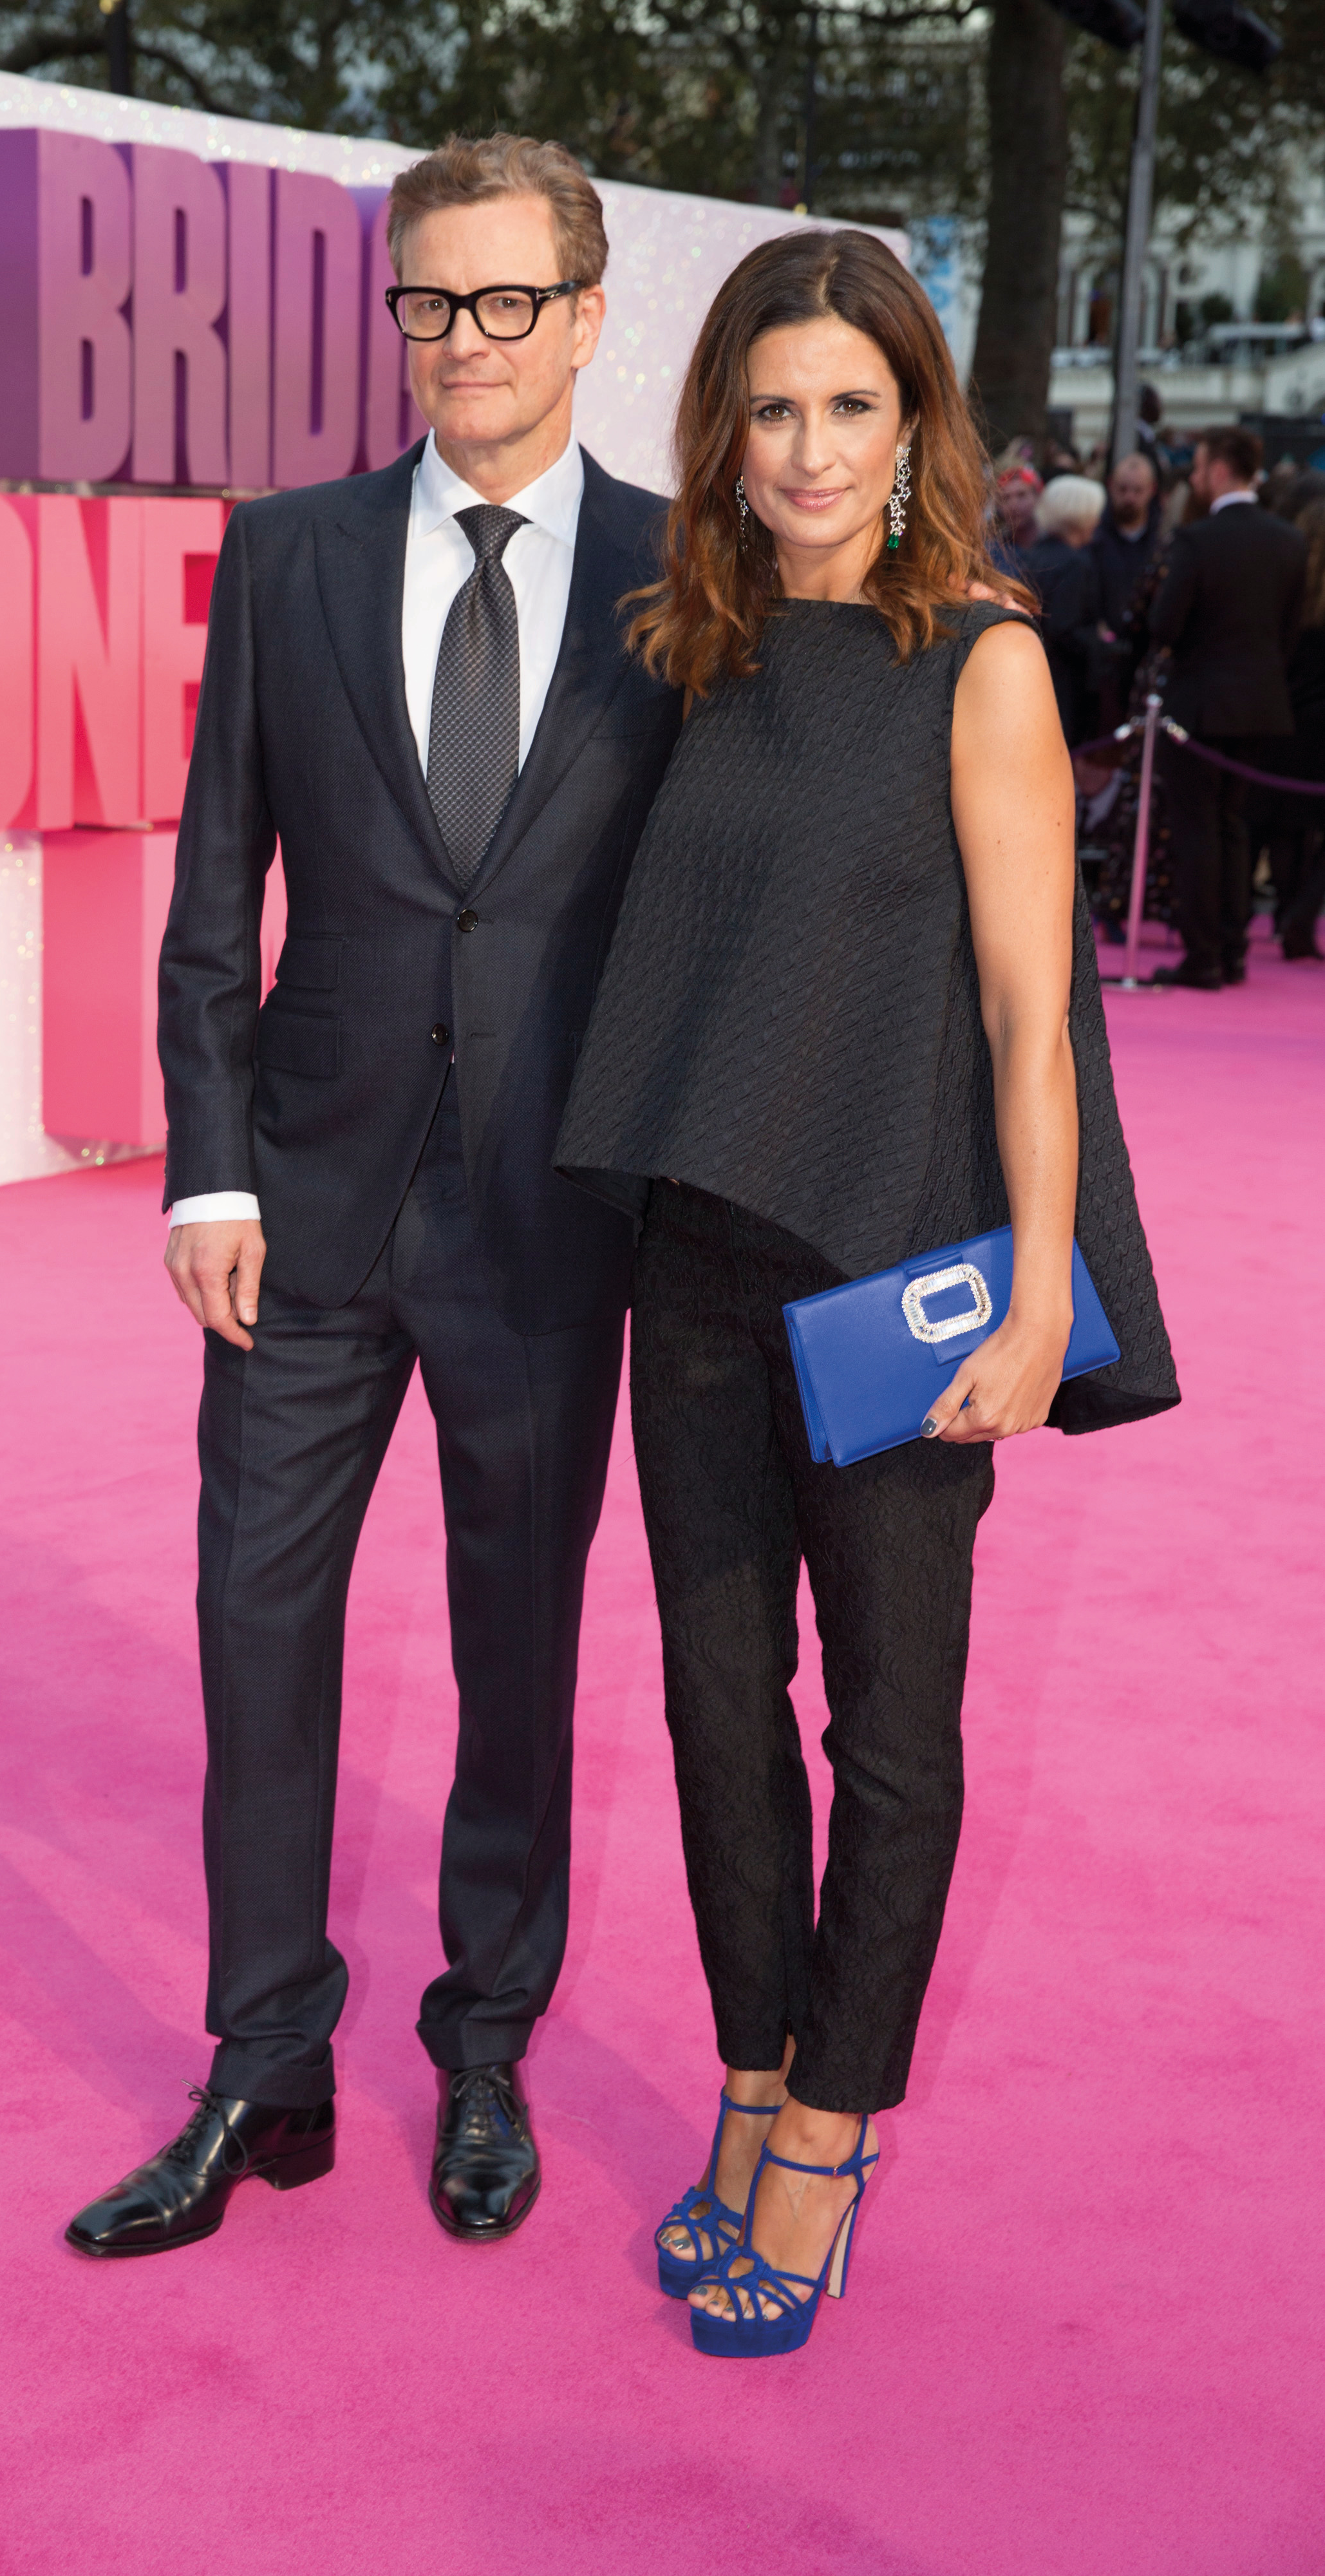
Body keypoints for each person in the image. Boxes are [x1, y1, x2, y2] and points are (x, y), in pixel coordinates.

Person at [556, 226, 1178, 2358]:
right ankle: (750, 2076)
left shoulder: (979, 658)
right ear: (722, 431)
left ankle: (826, 2133)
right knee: (711, 1707)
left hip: (895, 1275)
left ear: (913, 423)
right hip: (694, 1260)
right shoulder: (695, 647)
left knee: (887, 1731)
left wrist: (1036, 1293)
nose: (809, 449)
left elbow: (1029, 1012)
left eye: (848, 405)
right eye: (772, 409)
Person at [65, 133, 681, 2260]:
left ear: (583, 316)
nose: (463, 339)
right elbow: (210, 890)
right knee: (257, 1632)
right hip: (303, 1209)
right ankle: (264, 2065)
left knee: (516, 1646)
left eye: (506, 300)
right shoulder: (290, 552)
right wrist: (202, 1173)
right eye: (430, 298)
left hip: (551, 1211)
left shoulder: (676, 573)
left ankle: (483, 2046)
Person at [1148, 425, 1307, 988]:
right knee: (1233, 826)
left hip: (1198, 706)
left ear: (1218, 471)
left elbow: (1164, 626)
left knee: (1197, 829)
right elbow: (1288, 632)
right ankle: (1232, 950)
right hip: (1260, 705)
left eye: (1197, 468)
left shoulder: (1196, 541)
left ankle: (1203, 956)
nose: (1193, 478)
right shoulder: (1289, 541)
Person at [1246, 496, 1325, 961]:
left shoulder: (1284, 586)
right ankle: (1299, 915)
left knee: (1270, 822)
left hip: (1282, 717)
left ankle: (1241, 923)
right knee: (1305, 828)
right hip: (1313, 724)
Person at [1024, 473, 1106, 746]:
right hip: (1062, 683)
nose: (1098, 521)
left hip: (1035, 675)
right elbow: (1062, 628)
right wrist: (1102, 644)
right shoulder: (1074, 564)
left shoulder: (1037, 554)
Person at [1091, 451, 1163, 728]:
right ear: (1110, 486)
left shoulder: (1163, 539)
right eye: (1123, 489)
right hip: (1104, 664)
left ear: (1151, 490)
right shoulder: (1094, 537)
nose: (1130, 498)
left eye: (1137, 490)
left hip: (1145, 659)